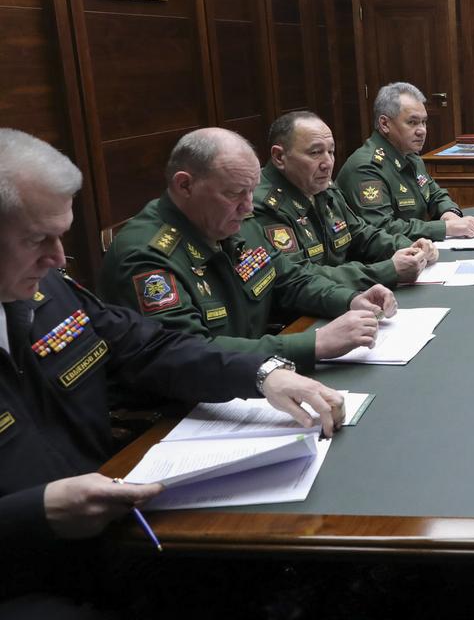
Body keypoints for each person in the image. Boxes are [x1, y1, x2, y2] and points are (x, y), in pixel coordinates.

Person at [0, 129, 345, 614]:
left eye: (61, 235)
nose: (58, 258)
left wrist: (264, 373)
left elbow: (150, 345)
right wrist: (34, 514)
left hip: (113, 524)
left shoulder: (46, 291)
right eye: (38, 240)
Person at [100, 128, 396, 374]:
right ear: (185, 185)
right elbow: (189, 352)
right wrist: (314, 344)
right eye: (233, 194)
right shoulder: (145, 255)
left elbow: (290, 279)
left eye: (252, 190)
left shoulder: (233, 222)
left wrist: (350, 300)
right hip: (185, 410)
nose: (247, 205)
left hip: (256, 372)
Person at [254, 110, 438, 289]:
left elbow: (359, 234)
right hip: (303, 315)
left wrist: (410, 247)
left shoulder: (322, 187)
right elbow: (300, 277)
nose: (327, 163)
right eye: (315, 153)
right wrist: (386, 270)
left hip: (342, 296)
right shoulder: (264, 205)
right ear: (279, 157)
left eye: (331, 152)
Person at [336, 82, 474, 240]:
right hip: (385, 260)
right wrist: (445, 228)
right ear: (385, 124)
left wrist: (449, 213)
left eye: (424, 122)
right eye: (412, 122)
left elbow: (436, 195)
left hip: (415, 251)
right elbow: (381, 229)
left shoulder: (411, 157)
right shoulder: (367, 168)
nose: (422, 130)